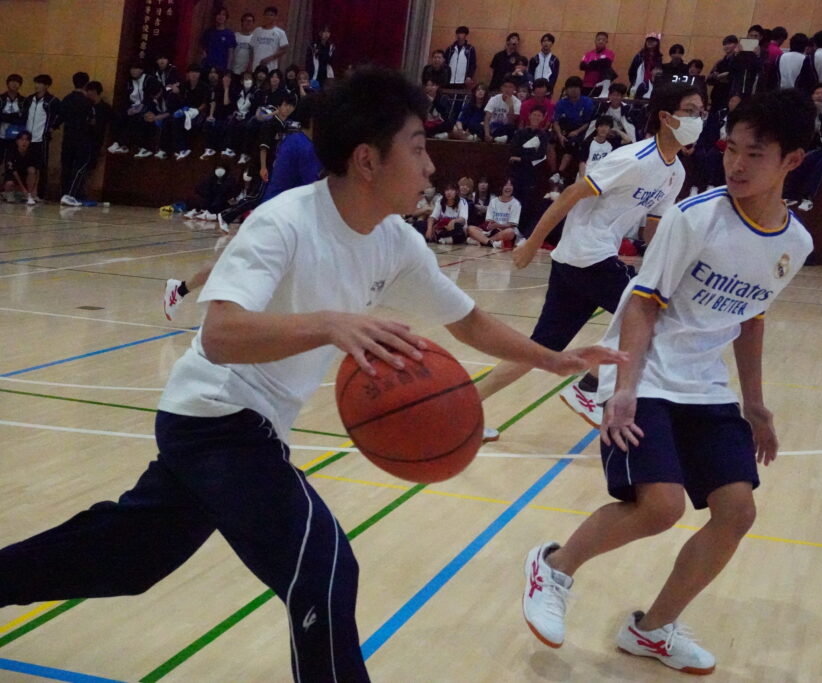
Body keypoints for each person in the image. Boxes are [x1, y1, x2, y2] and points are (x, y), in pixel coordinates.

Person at [1, 69, 628, 683]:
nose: (431, 166)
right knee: (323, 567)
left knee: (128, 559)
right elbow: (219, 335)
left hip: (244, 425)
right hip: (217, 416)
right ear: (367, 160)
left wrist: (554, 359)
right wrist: (329, 324)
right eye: (417, 149)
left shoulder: (395, 241)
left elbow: (468, 321)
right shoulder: (284, 222)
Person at [520, 89, 817, 674]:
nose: (736, 164)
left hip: (704, 385)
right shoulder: (695, 217)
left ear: (792, 161)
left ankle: (652, 630)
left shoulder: (795, 244)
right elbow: (641, 304)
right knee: (660, 506)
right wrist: (623, 389)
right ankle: (552, 569)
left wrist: (756, 405)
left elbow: (751, 317)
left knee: (737, 512)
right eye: (731, 149)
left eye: (754, 154)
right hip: (646, 370)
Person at [474, 83, 701, 436]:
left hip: (580, 260)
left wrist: (665, 267)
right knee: (650, 316)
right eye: (690, 111)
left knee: (543, 346)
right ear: (665, 116)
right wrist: (532, 242)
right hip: (587, 253)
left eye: (701, 113)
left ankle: (466, 405)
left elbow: (653, 229)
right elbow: (570, 194)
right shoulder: (633, 159)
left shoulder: (676, 173)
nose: (698, 119)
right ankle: (590, 386)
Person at [551, 76, 595, 181]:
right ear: (566, 89)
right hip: (564, 129)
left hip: (582, 130)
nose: (573, 90)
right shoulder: (561, 103)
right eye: (570, 87)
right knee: (552, 141)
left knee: (573, 143)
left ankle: (560, 173)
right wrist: (560, 136)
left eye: (576, 87)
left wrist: (577, 131)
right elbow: (555, 122)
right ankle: (555, 172)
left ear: (580, 88)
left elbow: (589, 122)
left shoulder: (587, 102)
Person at [23, 74, 60, 199]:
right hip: (27, 139)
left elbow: (60, 115)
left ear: (47, 86)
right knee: (27, 165)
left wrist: (53, 127)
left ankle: (40, 193)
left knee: (41, 166)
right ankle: (26, 191)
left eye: (40, 83)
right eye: (36, 83)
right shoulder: (29, 99)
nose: (37, 86)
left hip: (41, 139)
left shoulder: (52, 101)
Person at [58, 72, 92, 207]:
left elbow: (59, 118)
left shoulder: (66, 99)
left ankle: (63, 194)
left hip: (68, 137)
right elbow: (92, 121)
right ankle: (71, 195)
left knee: (66, 166)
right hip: (82, 138)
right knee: (81, 166)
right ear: (86, 84)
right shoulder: (88, 101)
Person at [468, 178, 521, 251]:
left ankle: (484, 241)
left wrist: (498, 225)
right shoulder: (493, 201)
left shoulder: (516, 203)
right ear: (501, 187)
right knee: (470, 228)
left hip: (505, 231)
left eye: (510, 185)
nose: (508, 187)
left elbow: (512, 224)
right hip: (492, 230)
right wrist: (491, 225)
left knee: (510, 232)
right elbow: (489, 220)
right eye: (505, 185)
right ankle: (490, 242)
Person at [258, 92, 297, 183]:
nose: (288, 108)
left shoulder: (287, 126)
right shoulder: (270, 124)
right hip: (265, 164)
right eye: (285, 105)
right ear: (279, 106)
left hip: (277, 164)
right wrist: (263, 167)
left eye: (291, 106)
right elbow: (263, 147)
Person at [2, 131, 38, 203]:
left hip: (25, 178)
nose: (24, 142)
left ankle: (29, 195)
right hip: (13, 178)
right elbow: (14, 172)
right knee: (9, 184)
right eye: (22, 139)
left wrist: (35, 188)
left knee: (32, 170)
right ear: (17, 141)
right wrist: (23, 188)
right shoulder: (11, 152)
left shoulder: (32, 153)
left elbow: (37, 170)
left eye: (27, 140)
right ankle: (8, 194)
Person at [251, 6, 289, 72]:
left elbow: (284, 49)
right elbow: (252, 48)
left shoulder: (280, 32)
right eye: (267, 14)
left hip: (271, 66)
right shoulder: (257, 31)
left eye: (271, 15)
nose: (268, 17)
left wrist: (269, 59)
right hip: (256, 65)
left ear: (276, 17)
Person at [483, 77, 520, 143]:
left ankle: (494, 139)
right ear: (501, 88)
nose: (507, 89)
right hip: (492, 128)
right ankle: (494, 139)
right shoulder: (494, 99)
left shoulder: (517, 102)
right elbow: (487, 118)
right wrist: (487, 134)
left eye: (510, 87)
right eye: (505, 86)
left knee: (511, 128)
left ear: (514, 89)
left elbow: (511, 121)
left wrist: (511, 106)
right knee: (476, 126)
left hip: (504, 129)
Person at [201, 7, 237, 73]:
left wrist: (228, 70)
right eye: (219, 14)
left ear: (226, 18)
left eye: (223, 14)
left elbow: (231, 54)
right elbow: (204, 51)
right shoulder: (208, 32)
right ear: (215, 16)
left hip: (221, 68)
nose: (221, 17)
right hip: (207, 67)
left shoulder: (229, 34)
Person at [628, 34, 663, 98]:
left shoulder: (659, 57)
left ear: (657, 43)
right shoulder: (639, 56)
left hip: (651, 85)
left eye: (652, 40)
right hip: (638, 84)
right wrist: (634, 82)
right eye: (648, 40)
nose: (650, 42)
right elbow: (631, 71)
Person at [580, 32, 615, 96]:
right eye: (599, 39)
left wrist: (590, 64)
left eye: (603, 40)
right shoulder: (588, 54)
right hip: (586, 84)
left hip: (601, 85)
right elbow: (582, 66)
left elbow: (607, 63)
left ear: (606, 42)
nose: (601, 41)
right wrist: (598, 64)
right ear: (595, 41)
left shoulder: (609, 53)